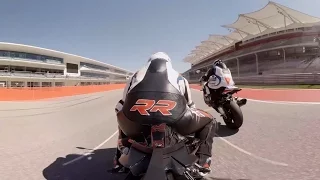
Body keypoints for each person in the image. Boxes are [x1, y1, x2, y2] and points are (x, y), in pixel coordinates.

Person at [110, 52, 217, 177]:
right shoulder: (179, 76)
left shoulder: (135, 75)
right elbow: (189, 104)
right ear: (169, 62)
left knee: (121, 114)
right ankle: (203, 160)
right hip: (174, 119)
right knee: (210, 120)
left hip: (136, 122)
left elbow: (124, 102)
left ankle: (118, 158)